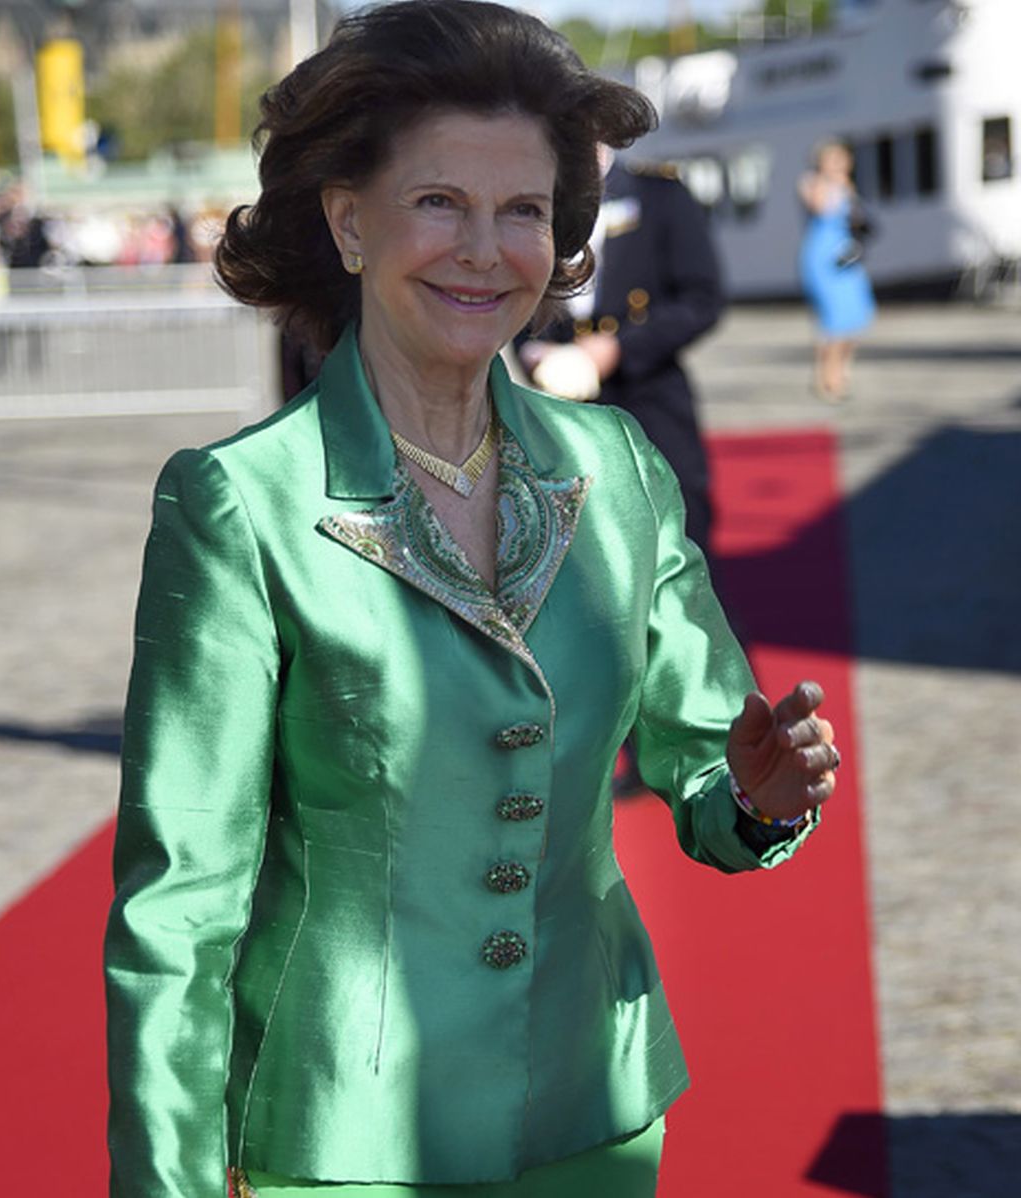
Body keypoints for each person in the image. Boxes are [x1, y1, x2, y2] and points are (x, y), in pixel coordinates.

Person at [104, 4, 840, 1197]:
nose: (484, 250)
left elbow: (710, 773)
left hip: (593, 1112)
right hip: (340, 1138)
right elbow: (178, 908)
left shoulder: (620, 471)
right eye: (440, 202)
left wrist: (754, 794)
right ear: (350, 220)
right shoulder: (238, 502)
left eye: (523, 211)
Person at [517, 155, 722, 556]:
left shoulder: (659, 194)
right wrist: (534, 351)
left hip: (647, 391)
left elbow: (701, 299)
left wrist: (620, 347)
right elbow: (518, 291)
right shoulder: (531, 198)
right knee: (585, 545)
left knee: (678, 532)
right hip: (564, 404)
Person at [798, 139, 876, 401]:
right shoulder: (812, 182)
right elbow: (821, 207)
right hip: (823, 256)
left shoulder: (847, 186)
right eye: (832, 159)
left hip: (846, 255)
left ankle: (842, 372)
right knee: (833, 319)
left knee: (855, 315)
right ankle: (826, 378)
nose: (838, 164)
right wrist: (835, 184)